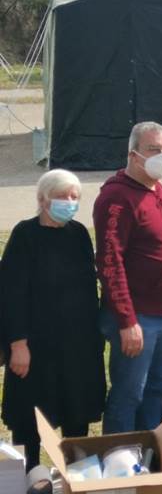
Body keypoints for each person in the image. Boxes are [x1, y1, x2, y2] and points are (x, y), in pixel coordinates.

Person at [0, 170, 105, 470]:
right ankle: (29, 475)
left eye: (74, 197)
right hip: (35, 347)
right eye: (62, 197)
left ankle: (76, 472)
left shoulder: (79, 234)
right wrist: (17, 344)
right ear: (42, 199)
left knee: (77, 410)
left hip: (77, 345)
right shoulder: (25, 235)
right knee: (30, 417)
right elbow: (11, 294)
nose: (69, 203)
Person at [94, 121, 162, 434]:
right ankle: (118, 465)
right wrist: (126, 320)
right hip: (138, 318)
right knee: (128, 393)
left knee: (156, 388)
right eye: (154, 150)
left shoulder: (155, 188)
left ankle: (146, 461)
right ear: (134, 154)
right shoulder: (117, 198)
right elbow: (110, 262)